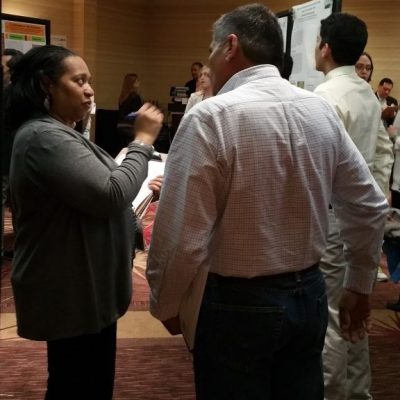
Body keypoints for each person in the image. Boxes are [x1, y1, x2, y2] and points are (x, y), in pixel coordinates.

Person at [146, 4, 388, 400]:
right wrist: (359, 286)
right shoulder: (318, 110)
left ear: (230, 46)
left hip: (236, 304)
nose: (208, 57)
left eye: (211, 47)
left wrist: (166, 304)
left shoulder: (211, 117)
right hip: (310, 293)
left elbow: (181, 235)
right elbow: (368, 206)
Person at [5, 45, 162, 399]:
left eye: (89, 81)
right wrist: (143, 141)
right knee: (78, 384)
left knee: (84, 380)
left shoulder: (57, 131)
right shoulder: (43, 136)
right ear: (47, 85)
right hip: (70, 290)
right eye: (79, 81)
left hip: (81, 287)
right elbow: (111, 193)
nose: (90, 90)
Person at [314, 13, 393, 400]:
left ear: (325, 47)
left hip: (331, 219)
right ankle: (359, 393)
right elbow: (383, 154)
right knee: (355, 315)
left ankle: (332, 394)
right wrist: (372, 208)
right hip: (360, 217)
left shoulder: (324, 98)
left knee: (330, 319)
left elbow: (316, 170)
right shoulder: (366, 94)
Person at [355, 51, 390, 283]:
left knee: (369, 234)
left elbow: (382, 147)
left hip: (368, 178)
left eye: (368, 68)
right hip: (341, 184)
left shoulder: (370, 99)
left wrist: (383, 186)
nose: (364, 71)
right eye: (360, 67)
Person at [1, 48, 23, 260]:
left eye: (5, 68)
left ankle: (19, 247)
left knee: (19, 205)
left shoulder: (19, 96)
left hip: (14, 158)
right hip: (6, 159)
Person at [117, 73, 144, 147]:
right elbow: (136, 114)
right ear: (132, 83)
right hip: (130, 128)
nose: (139, 82)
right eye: (137, 80)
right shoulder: (135, 96)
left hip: (120, 127)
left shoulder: (122, 96)